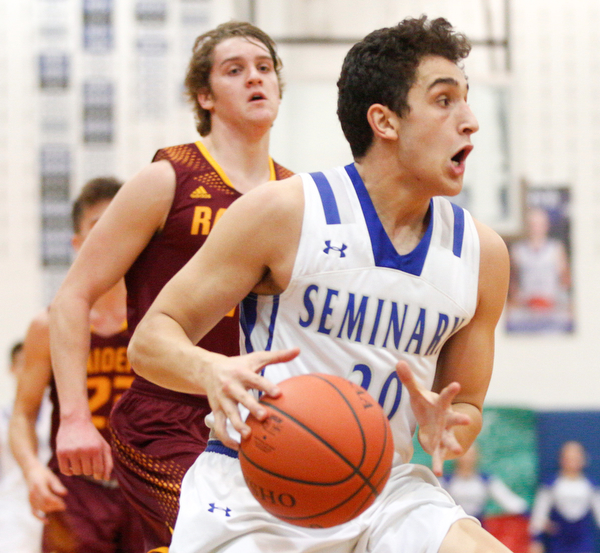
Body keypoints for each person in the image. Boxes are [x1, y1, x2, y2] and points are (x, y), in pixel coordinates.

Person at [128, 15, 512, 553]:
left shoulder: (483, 255)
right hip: (253, 486)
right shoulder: (283, 212)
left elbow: (465, 405)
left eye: (466, 99)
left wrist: (450, 428)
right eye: (445, 100)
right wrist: (213, 369)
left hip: (381, 488)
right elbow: (150, 341)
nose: (470, 121)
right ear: (385, 121)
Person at [48, 21, 293, 552]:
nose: (255, 78)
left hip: (256, 420)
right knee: (226, 541)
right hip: (165, 418)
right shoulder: (169, 178)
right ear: (204, 95)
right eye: (235, 70)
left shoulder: (297, 196)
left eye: (264, 67)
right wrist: (73, 419)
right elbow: (72, 296)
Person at [10, 177, 144, 553]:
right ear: (78, 243)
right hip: (77, 491)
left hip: (146, 484)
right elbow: (22, 415)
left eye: (124, 222)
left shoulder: (160, 315)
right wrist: (32, 471)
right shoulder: (48, 324)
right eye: (100, 226)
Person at [0, 342, 50, 553]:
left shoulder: (61, 413)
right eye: (23, 363)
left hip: (58, 505)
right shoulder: (3, 415)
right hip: (13, 506)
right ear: (12, 369)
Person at [507, 206, 572, 333]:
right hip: (526, 306)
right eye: (532, 224)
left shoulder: (556, 248)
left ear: (546, 226)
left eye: (539, 224)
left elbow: (565, 280)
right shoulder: (517, 250)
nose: (535, 228)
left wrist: (563, 303)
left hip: (551, 305)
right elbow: (513, 282)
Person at [529, 441, 600, 553]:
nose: (572, 462)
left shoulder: (591, 485)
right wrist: (536, 540)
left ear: (583, 459)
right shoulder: (550, 484)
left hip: (583, 541)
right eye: (568, 458)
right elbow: (539, 514)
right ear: (561, 459)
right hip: (559, 542)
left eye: (576, 457)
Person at [442, 443, 528, 522]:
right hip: (454, 526)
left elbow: (509, 500)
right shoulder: (446, 481)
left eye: (471, 455)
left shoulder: (486, 480)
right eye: (464, 455)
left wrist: (527, 511)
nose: (467, 459)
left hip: (479, 526)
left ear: (477, 456)